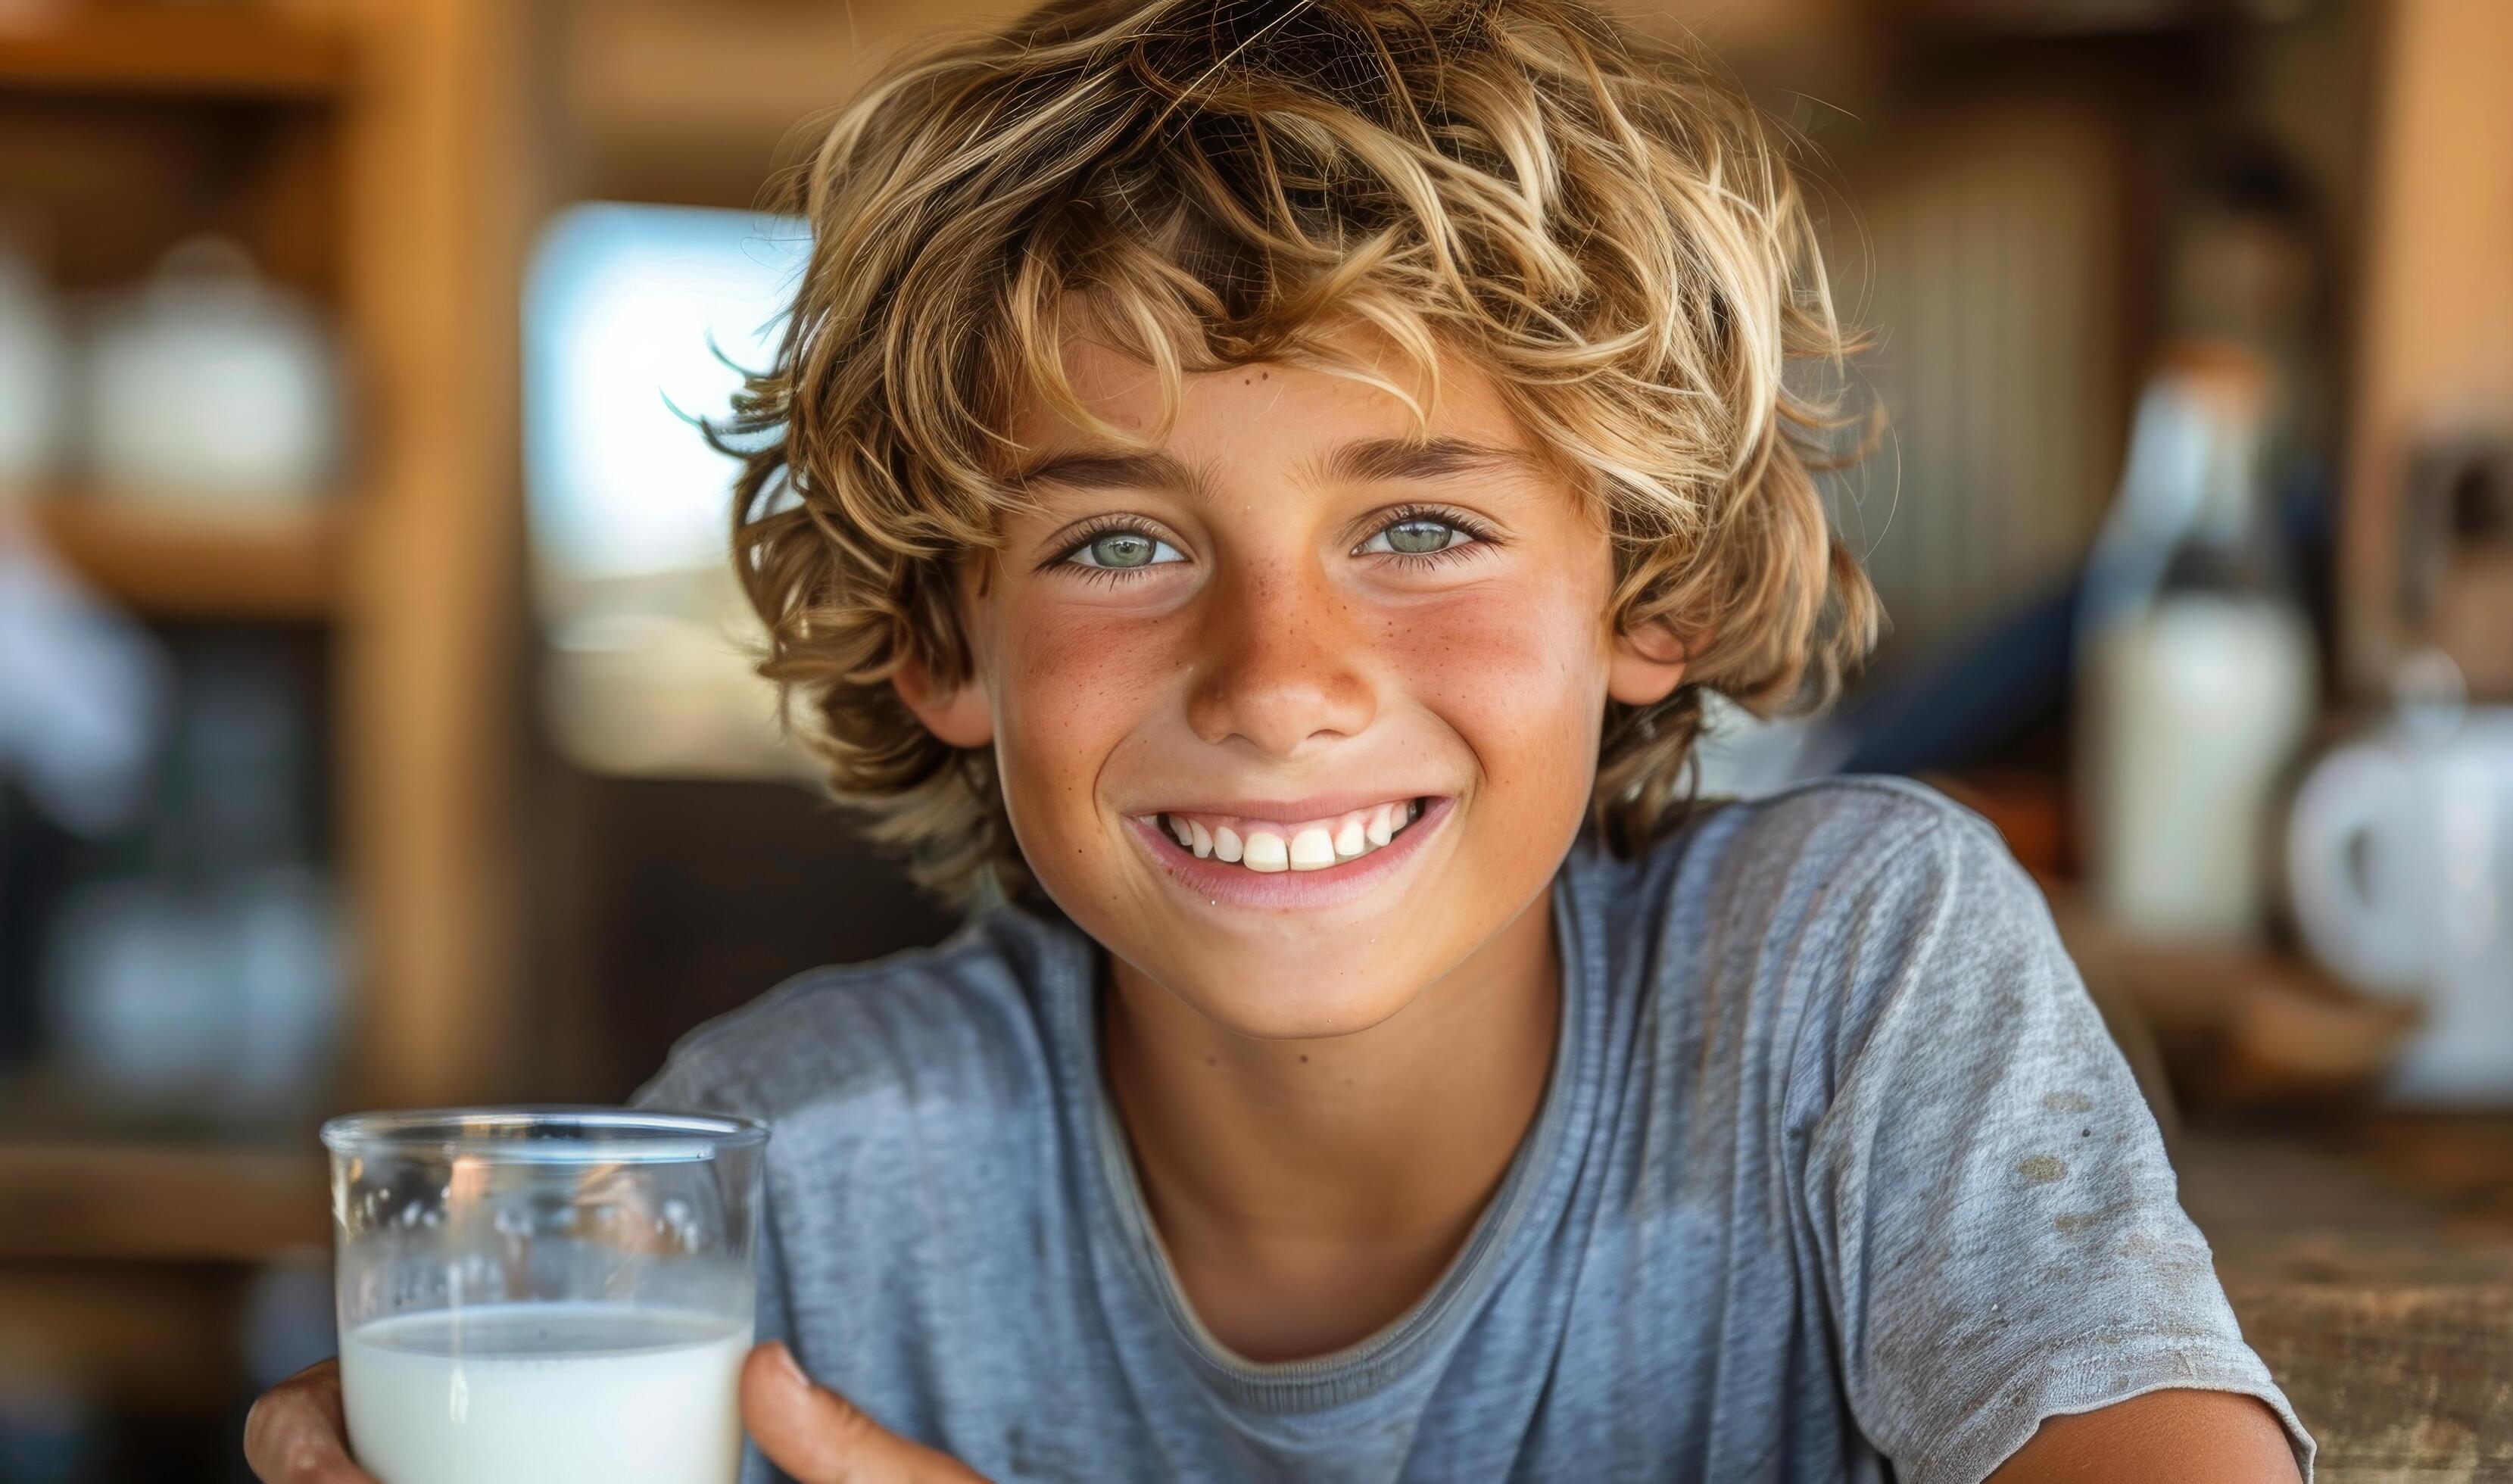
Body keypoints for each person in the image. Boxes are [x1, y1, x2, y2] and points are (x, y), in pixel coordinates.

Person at [247, 0, 2314, 1478]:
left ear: (1649, 596)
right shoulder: (796, 1171)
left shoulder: (1840, 983)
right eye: (1122, 540)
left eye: (1419, 525)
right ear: (938, 642)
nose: (1276, 674)